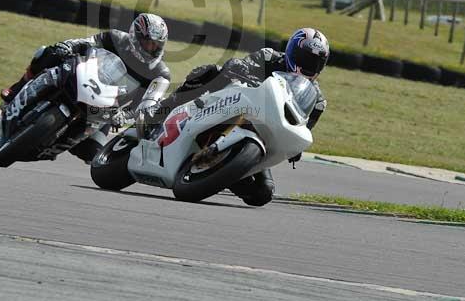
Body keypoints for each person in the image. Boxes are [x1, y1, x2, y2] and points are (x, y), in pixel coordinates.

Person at [136, 27, 329, 206]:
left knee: (263, 193)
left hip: (262, 135)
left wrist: (295, 147)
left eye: (315, 62)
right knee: (210, 72)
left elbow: (303, 125)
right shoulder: (269, 57)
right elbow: (241, 65)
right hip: (235, 104)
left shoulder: (316, 100)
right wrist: (239, 69)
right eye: (304, 58)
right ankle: (159, 111)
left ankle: (220, 172)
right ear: (292, 52)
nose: (308, 65)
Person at [0, 13, 172, 163]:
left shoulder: (160, 73)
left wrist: (123, 116)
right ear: (135, 36)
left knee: (94, 154)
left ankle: (52, 144)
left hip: (105, 110)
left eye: (156, 45)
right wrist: (68, 46)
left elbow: (148, 105)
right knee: (47, 53)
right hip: (84, 79)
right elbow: (87, 42)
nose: (151, 48)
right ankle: (16, 90)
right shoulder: (116, 38)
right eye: (147, 42)